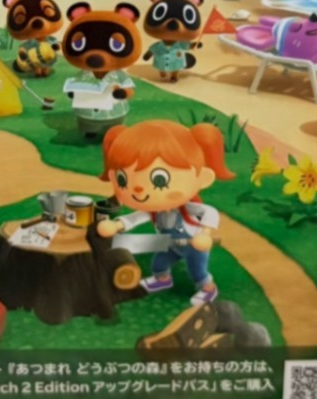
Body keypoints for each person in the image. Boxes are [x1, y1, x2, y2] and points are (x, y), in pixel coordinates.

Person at [96, 119, 234, 305]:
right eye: (122, 180)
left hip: (194, 246)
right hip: (170, 244)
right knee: (159, 263)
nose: (138, 189)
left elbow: (209, 212)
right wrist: (117, 224)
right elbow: (136, 217)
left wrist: (205, 233)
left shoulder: (186, 208)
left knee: (198, 272)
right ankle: (163, 279)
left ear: (203, 178)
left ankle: (208, 289)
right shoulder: (155, 210)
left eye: (160, 180)